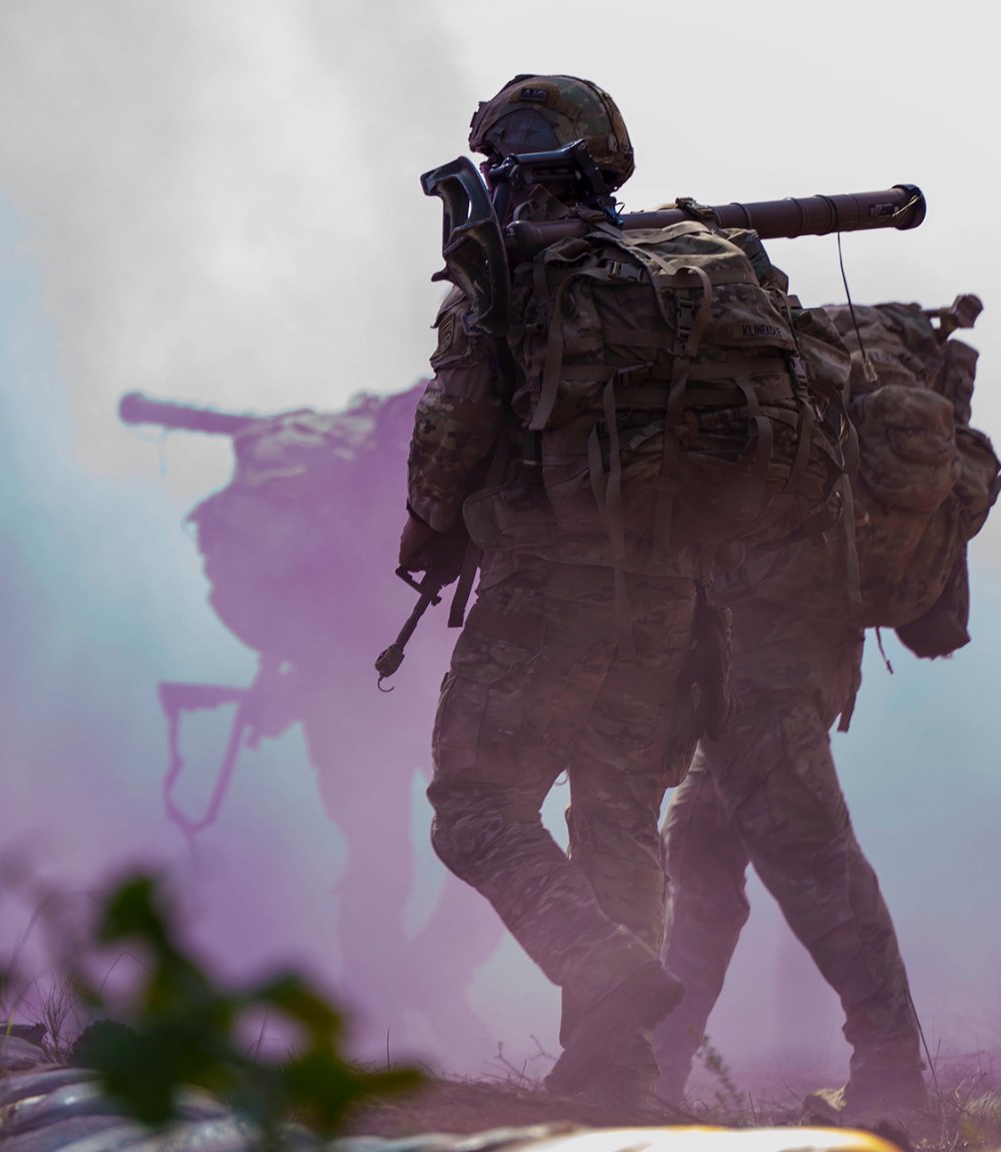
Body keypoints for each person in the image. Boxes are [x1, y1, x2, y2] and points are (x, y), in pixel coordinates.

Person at [401, 74, 840, 1105]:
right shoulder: (702, 273)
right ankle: (617, 1071)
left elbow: (451, 435)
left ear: (510, 163)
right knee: (618, 820)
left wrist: (425, 529)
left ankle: (599, 968)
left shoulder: (510, 279)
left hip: (545, 593)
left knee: (473, 806)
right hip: (673, 599)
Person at [652, 298, 1001, 1124]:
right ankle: (654, 1065)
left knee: (811, 863)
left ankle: (891, 1076)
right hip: (784, 655)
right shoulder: (789, 394)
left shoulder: (757, 393)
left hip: (761, 669)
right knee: (702, 847)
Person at [128, 385, 507, 1058]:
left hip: (389, 690)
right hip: (405, 689)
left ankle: (400, 1004)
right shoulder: (404, 489)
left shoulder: (348, 492)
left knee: (407, 855)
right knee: (447, 845)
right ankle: (393, 1011)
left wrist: (300, 673)